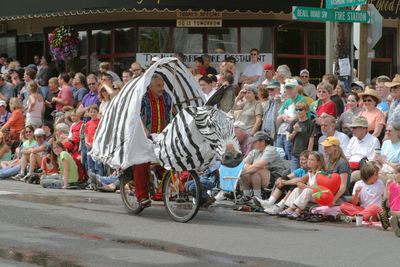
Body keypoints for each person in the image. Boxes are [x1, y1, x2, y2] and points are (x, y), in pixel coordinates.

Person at [133, 73, 175, 208]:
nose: (162, 88)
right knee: (141, 163)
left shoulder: (167, 98)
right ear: (150, 87)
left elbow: (173, 114)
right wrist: (144, 130)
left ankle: (162, 192)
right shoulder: (143, 99)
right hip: (144, 137)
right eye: (158, 86)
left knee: (169, 163)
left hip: (163, 137)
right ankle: (142, 196)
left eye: (162, 85)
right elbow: (135, 116)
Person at [238, 131, 290, 203]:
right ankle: (246, 195)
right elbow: (242, 164)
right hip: (262, 176)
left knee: (255, 169)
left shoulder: (270, 150)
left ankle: (257, 197)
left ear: (262, 142)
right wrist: (244, 169)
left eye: (255, 141)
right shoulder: (255, 151)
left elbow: (260, 165)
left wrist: (243, 170)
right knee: (246, 169)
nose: (252, 143)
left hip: (275, 178)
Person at [258, 150, 310, 215]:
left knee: (295, 184)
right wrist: (281, 179)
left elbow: (300, 180)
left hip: (306, 192)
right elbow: (287, 177)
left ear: (309, 160)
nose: (301, 162)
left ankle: (280, 206)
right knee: (284, 181)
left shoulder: (310, 171)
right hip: (299, 191)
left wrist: (285, 182)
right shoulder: (301, 170)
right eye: (300, 159)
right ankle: (270, 202)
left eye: (303, 159)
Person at [278, 151, 325, 219]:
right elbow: (300, 181)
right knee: (297, 189)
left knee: (307, 190)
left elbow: (317, 188)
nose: (309, 161)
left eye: (312, 160)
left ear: (318, 162)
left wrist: (305, 186)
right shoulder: (309, 172)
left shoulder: (320, 173)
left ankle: (293, 209)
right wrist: (300, 184)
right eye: (309, 159)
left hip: (318, 196)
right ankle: (289, 207)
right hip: (311, 195)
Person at [276, 79, 307, 160]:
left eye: (291, 88)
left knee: (290, 157)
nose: (288, 90)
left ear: (296, 88)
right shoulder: (288, 101)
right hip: (281, 132)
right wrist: (285, 117)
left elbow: (295, 119)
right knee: (279, 156)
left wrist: (284, 117)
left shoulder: (302, 100)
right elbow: (278, 119)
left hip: (294, 134)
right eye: (287, 88)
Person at [287, 101, 315, 171]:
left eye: (301, 109)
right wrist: (295, 131)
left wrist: (308, 155)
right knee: (294, 174)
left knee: (304, 176)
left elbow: (311, 140)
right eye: (297, 109)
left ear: (306, 110)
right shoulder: (294, 122)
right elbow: (289, 138)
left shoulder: (310, 124)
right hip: (295, 153)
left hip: (305, 154)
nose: (298, 111)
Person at [321, 136, 351, 203]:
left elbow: (343, 187)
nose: (324, 149)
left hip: (341, 196)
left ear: (335, 147)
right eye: (324, 146)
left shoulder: (342, 163)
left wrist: (334, 199)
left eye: (327, 147)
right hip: (329, 193)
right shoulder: (327, 162)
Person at [380, 165, 400, 236]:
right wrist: (387, 185)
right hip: (393, 209)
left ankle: (391, 222)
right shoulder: (392, 185)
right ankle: (391, 221)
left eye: (396, 173)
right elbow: (385, 198)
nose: (394, 175)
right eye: (393, 173)